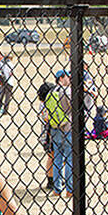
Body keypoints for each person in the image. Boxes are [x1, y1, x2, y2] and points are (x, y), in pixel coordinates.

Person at [46, 70, 73, 198]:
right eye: (67, 76)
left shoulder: (51, 92)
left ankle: (57, 189)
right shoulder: (66, 91)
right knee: (69, 159)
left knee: (57, 158)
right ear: (62, 78)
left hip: (55, 127)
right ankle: (70, 189)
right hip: (67, 126)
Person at [36, 81, 55, 191]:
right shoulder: (46, 105)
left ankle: (53, 178)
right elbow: (47, 119)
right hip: (48, 135)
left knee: (52, 157)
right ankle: (51, 180)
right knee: (52, 157)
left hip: (46, 135)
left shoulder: (43, 104)